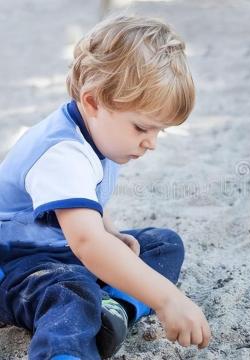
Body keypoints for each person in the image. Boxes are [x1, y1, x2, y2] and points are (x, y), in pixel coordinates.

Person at [0, 15, 211, 359]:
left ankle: (115, 311)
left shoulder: (100, 134)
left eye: (159, 131)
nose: (151, 143)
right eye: (142, 127)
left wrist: (110, 232)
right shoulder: (62, 152)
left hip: (62, 251)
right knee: (71, 293)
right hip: (18, 266)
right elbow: (85, 241)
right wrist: (167, 299)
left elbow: (86, 204)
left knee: (162, 244)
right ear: (94, 101)